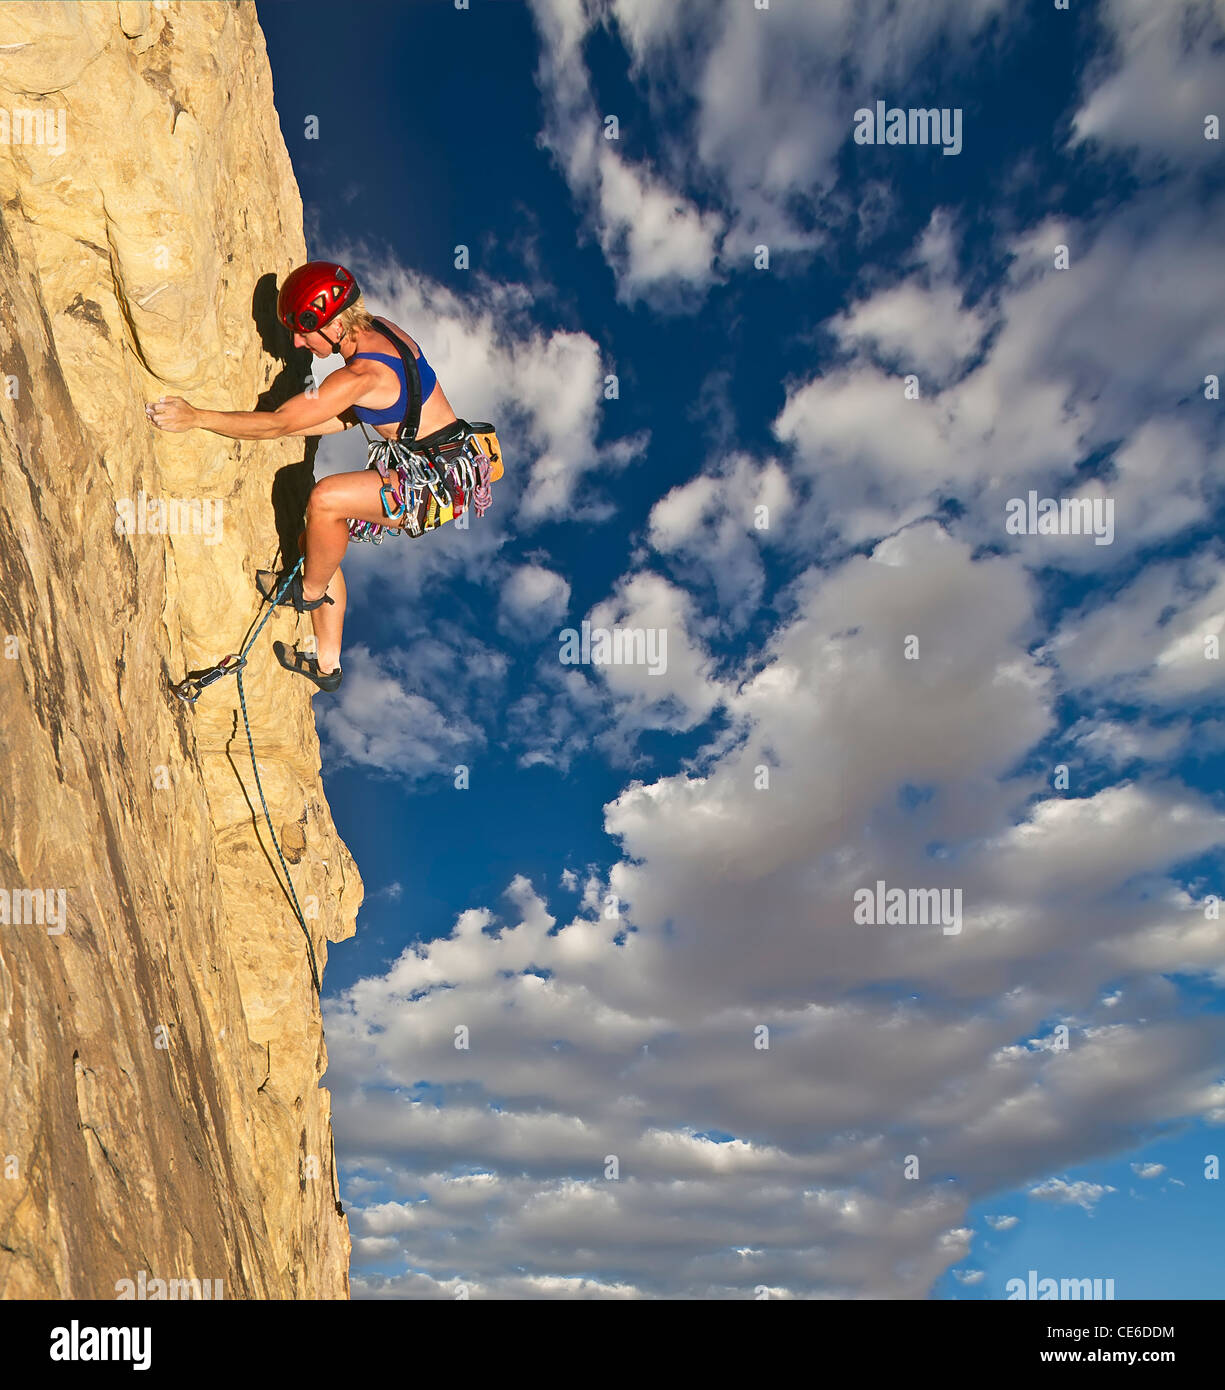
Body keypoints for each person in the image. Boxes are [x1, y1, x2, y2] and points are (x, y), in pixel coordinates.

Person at [146, 261, 488, 692]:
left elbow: (282, 422)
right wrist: (299, 418)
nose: (295, 341)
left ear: (332, 323)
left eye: (303, 331)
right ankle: (326, 666)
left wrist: (197, 417)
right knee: (319, 539)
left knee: (326, 500)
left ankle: (306, 594)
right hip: (445, 461)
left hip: (437, 483)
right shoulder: (381, 331)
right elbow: (354, 413)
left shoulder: (363, 374)